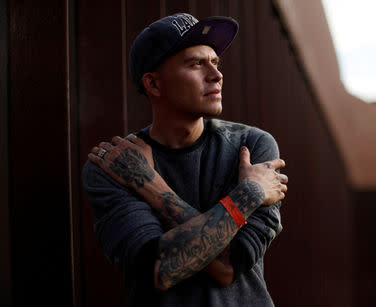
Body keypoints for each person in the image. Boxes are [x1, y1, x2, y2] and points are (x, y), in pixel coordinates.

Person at [82, 13, 288, 307]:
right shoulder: (113, 165)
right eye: (195, 64)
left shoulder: (252, 147)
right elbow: (162, 268)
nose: (216, 75)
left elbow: (229, 264)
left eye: (215, 62)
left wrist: (150, 185)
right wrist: (250, 194)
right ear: (153, 84)